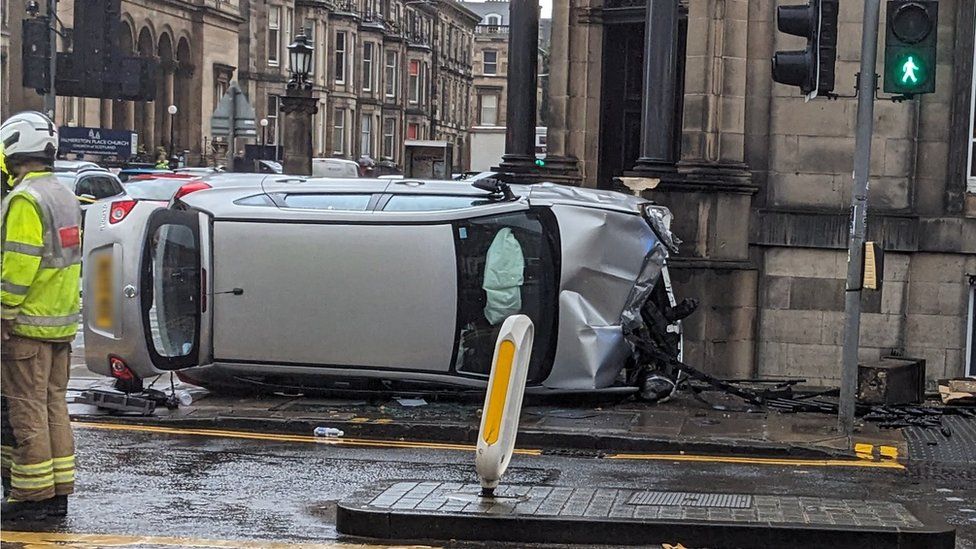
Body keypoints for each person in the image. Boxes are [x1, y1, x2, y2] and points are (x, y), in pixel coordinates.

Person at [0, 111, 80, 521]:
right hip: (60, 324)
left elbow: (18, 265)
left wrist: (3, 314)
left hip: (27, 325)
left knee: (24, 408)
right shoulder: (63, 194)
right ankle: (57, 491)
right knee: (53, 407)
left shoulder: (24, 199)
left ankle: (31, 499)